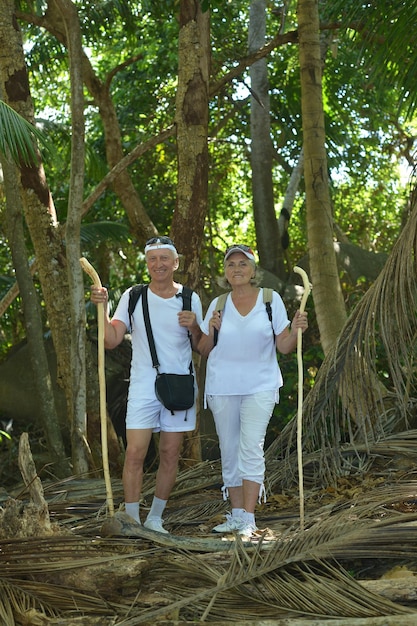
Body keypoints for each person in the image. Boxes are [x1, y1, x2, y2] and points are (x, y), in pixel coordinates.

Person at [91, 236, 202, 533]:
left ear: (175, 263)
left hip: (178, 387)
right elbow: (111, 340)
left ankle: (155, 518)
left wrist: (194, 325)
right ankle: (131, 519)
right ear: (147, 263)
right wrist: (101, 309)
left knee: (169, 453)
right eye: (153, 259)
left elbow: (202, 346)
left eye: (164, 258)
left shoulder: (190, 298)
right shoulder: (134, 296)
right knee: (135, 453)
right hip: (142, 386)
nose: (158, 264)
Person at [198, 244, 308, 538]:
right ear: (225, 272)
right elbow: (204, 349)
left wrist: (296, 329)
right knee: (229, 450)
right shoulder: (218, 304)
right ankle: (235, 515)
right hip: (222, 386)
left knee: (251, 447)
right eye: (231, 264)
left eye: (242, 264)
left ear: (253, 270)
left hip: (260, 384)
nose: (237, 269)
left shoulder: (270, 300)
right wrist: (212, 329)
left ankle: (248, 516)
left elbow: (283, 346)